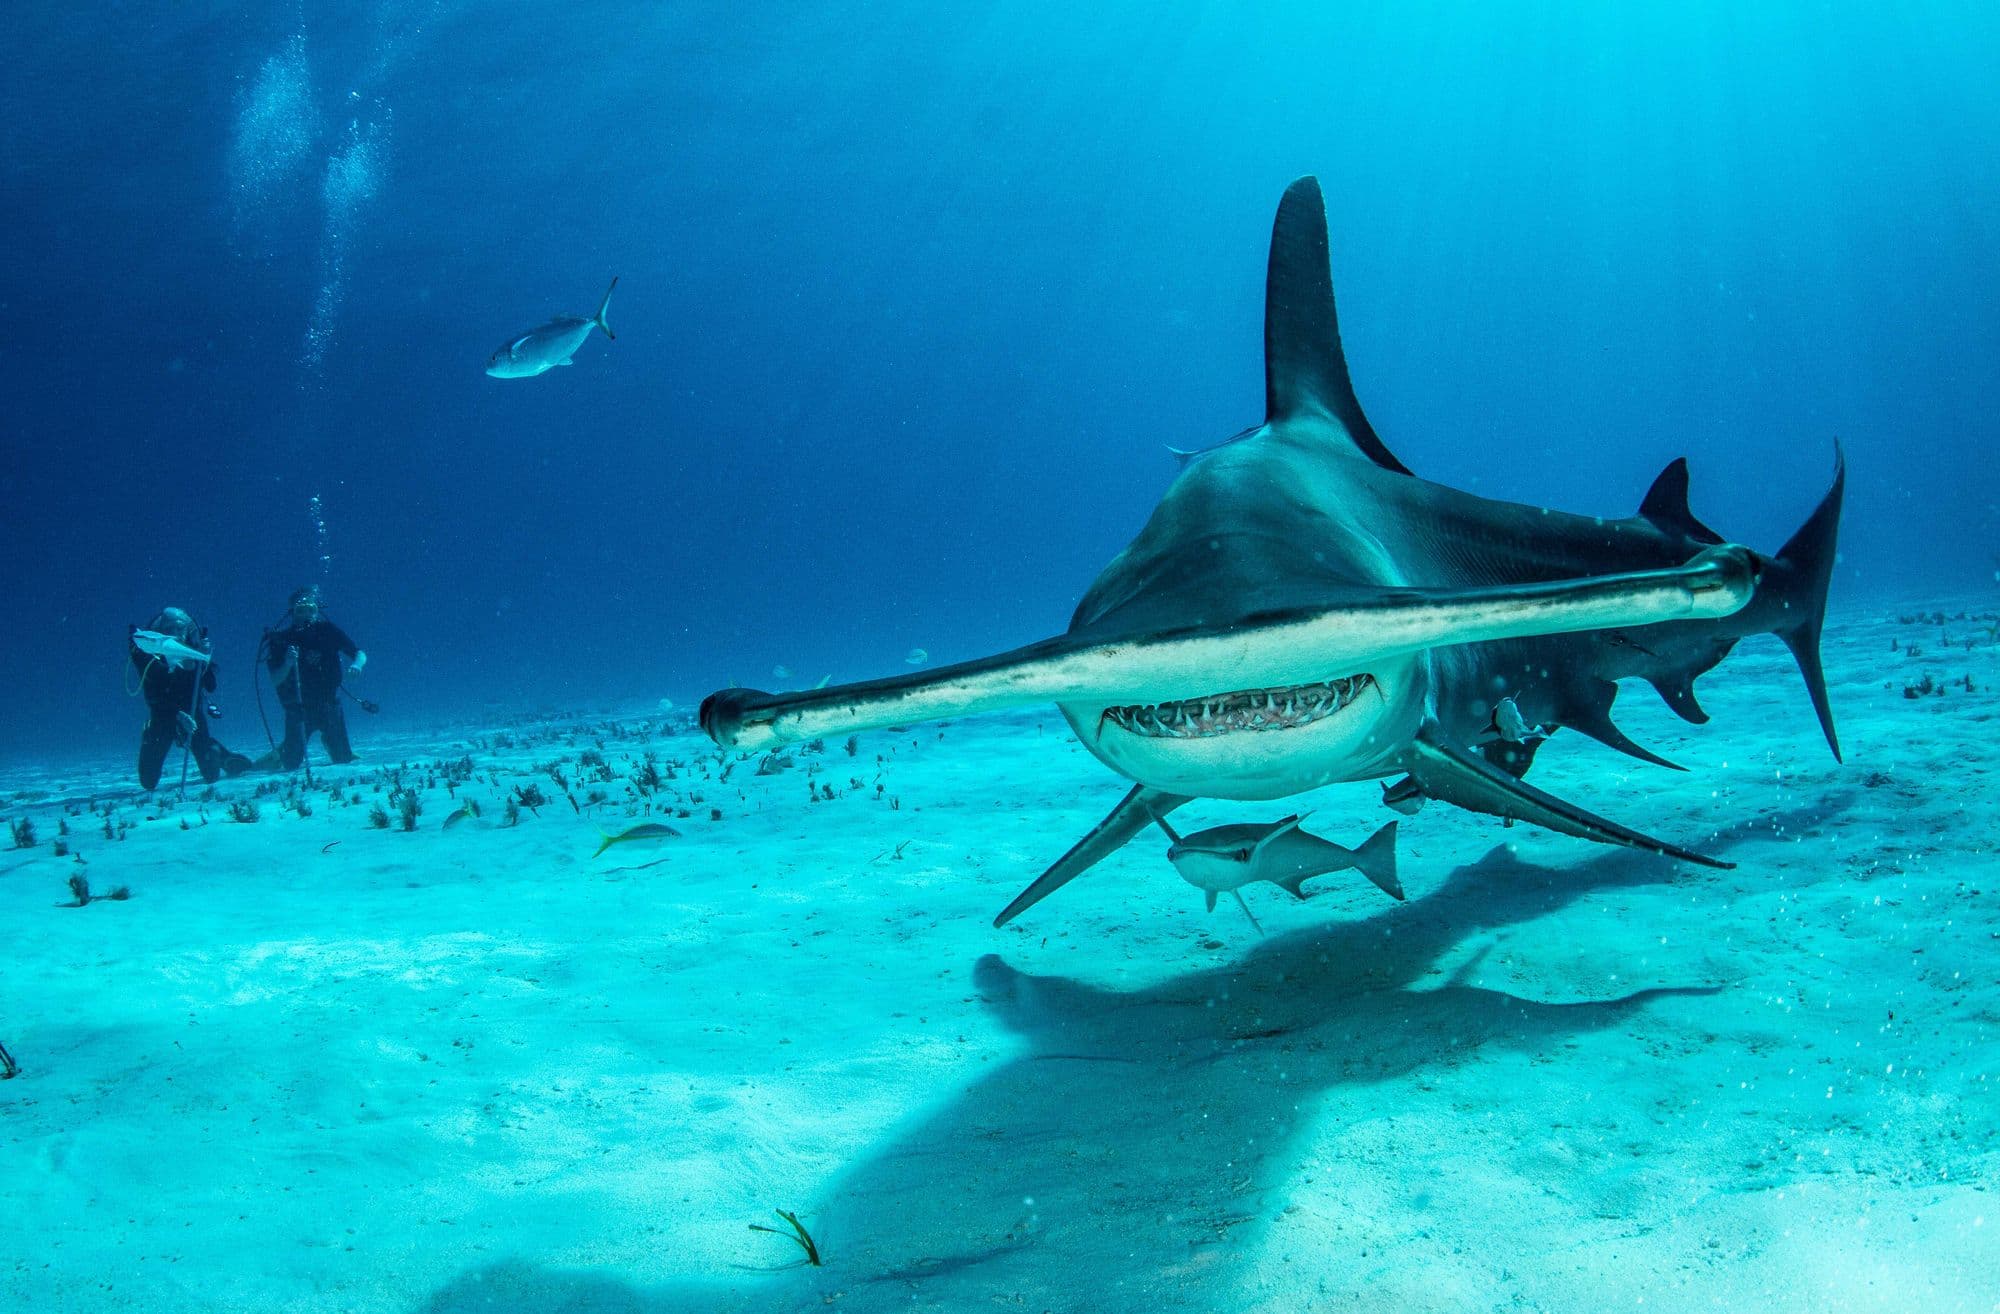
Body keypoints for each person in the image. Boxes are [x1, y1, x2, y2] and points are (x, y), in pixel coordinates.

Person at [128, 607, 252, 791]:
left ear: (188, 630)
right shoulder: (149, 655)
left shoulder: (194, 652)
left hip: (193, 714)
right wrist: (175, 714)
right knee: (148, 781)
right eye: (171, 628)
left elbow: (210, 686)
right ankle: (150, 735)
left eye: (181, 628)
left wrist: (204, 660)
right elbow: (153, 695)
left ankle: (217, 751)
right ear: (161, 630)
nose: (177, 633)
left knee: (211, 775)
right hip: (162, 717)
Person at [258, 586, 368, 770]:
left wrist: (357, 665)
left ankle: (331, 742)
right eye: (301, 610)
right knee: (291, 764)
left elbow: (359, 653)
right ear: (292, 612)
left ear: (317, 610)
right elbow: (275, 680)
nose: (306, 615)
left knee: (343, 759)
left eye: (311, 610)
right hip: (298, 708)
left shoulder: (328, 631)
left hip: (329, 704)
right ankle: (281, 752)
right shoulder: (281, 639)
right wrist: (286, 663)